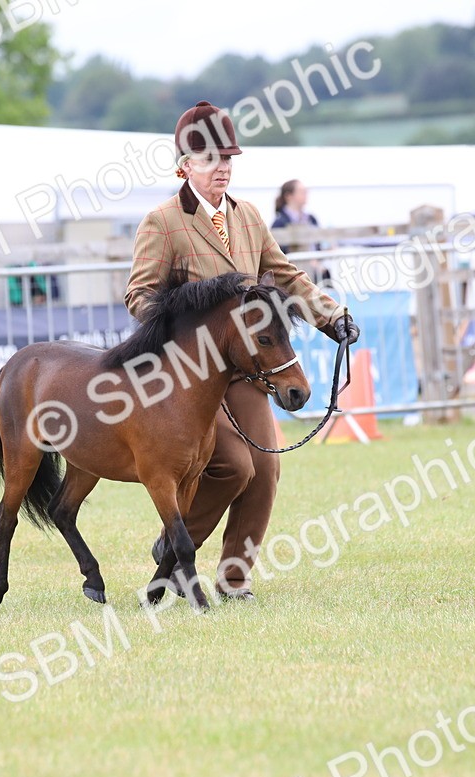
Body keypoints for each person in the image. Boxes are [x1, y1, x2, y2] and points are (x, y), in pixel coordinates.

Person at [124, 101, 360, 600]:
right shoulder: (162, 222)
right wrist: (177, 322)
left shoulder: (249, 216)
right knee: (235, 465)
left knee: (266, 469)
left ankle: (233, 579)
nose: (223, 168)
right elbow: (139, 295)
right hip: (191, 376)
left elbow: (287, 276)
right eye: (211, 159)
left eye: (228, 159)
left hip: (250, 369)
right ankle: (176, 544)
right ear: (184, 165)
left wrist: (330, 317)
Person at [272, 179, 327, 282]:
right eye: (302, 192)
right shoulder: (280, 223)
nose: (306, 194)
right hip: (294, 275)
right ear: (289, 196)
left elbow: (319, 245)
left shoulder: (311, 219)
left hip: (315, 273)